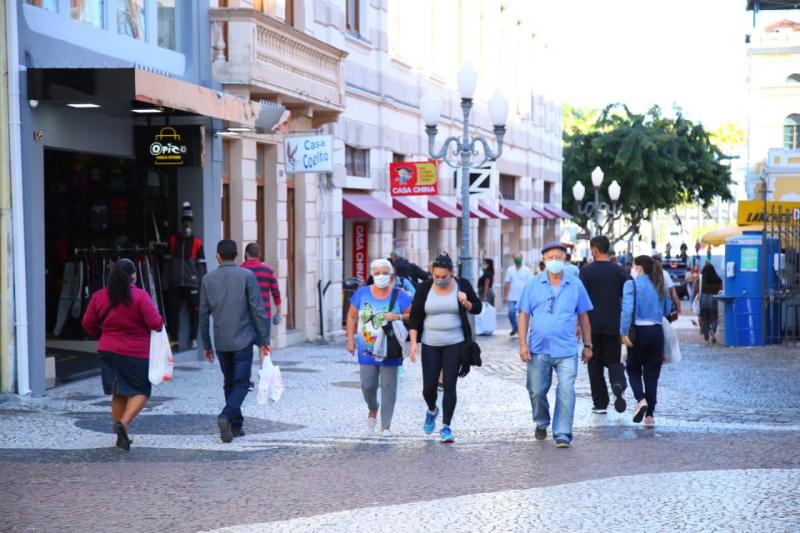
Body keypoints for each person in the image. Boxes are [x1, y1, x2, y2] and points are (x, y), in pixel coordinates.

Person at [81, 259, 164, 451]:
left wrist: (101, 335)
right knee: (141, 390)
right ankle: (124, 424)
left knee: (117, 391)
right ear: (133, 276)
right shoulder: (140, 296)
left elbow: (87, 323)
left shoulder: (99, 296)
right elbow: (155, 323)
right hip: (136, 352)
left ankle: (120, 435)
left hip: (108, 350)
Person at [518, 242, 594, 448]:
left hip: (567, 350)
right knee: (536, 390)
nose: (554, 261)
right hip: (538, 348)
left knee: (566, 389)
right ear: (544, 260)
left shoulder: (575, 284)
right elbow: (523, 315)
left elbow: (584, 316)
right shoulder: (533, 284)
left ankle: (562, 432)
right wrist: (522, 344)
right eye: (550, 258)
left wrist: (588, 345)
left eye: (558, 257)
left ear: (565, 259)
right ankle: (541, 421)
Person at [199, 240, 271, 443]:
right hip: (243, 339)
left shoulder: (208, 279)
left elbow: (203, 315)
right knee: (241, 383)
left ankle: (235, 425)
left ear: (217, 256)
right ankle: (226, 415)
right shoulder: (246, 276)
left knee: (229, 382)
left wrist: (206, 344)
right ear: (238, 255)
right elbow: (258, 309)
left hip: (221, 340)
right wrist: (264, 339)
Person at [408, 253, 482, 443]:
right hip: (430, 343)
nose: (440, 280)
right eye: (436, 276)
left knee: (450, 385)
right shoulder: (425, 288)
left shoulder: (462, 285)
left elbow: (478, 308)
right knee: (428, 388)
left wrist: (465, 301)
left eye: (444, 277)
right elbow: (415, 316)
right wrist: (413, 344)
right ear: (432, 273)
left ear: (451, 273)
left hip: (455, 342)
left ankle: (446, 427)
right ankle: (432, 410)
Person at [346, 259, 412, 436]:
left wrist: (397, 316)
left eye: (385, 272)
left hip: (390, 348)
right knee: (368, 385)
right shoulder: (362, 294)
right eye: (378, 273)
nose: (381, 276)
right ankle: (372, 407)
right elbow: (351, 317)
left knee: (389, 386)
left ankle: (386, 426)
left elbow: (412, 315)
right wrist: (350, 340)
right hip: (366, 348)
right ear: (372, 274)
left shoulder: (400, 295)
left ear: (391, 276)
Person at [579, 236, 628, 415]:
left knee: (594, 365)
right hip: (613, 323)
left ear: (594, 250)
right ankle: (618, 384)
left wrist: (578, 326)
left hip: (591, 325)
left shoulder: (585, 272)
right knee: (614, 360)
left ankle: (600, 404)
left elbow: (580, 300)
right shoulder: (620, 271)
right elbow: (627, 297)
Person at [620, 255, 670, 429]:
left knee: (633, 369)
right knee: (652, 373)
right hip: (657, 332)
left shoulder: (631, 285)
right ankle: (650, 416)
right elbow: (668, 309)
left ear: (638, 268)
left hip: (638, 332)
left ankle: (641, 400)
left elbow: (627, 310)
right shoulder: (659, 283)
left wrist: (623, 332)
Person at [163, 201, 207, 350]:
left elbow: (202, 265)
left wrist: (201, 283)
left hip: (192, 283)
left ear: (192, 224)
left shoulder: (197, 243)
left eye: (189, 222)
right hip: (175, 283)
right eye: (184, 222)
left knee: (194, 312)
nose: (186, 224)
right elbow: (167, 262)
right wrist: (165, 281)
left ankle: (193, 338)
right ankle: (174, 339)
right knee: (172, 311)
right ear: (181, 223)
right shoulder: (173, 240)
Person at [241, 243, 282, 328]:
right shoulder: (268, 270)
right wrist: (279, 312)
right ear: (259, 254)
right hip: (264, 314)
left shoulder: (240, 271)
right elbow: (276, 293)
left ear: (246, 254)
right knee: (264, 341)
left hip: (245, 316)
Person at [503, 252, 532, 336]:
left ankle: (521, 331)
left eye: (519, 258)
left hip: (523, 297)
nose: (517, 260)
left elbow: (530, 284)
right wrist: (505, 296)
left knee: (522, 316)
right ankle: (515, 327)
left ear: (522, 259)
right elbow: (507, 283)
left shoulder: (527, 270)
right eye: (516, 258)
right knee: (511, 313)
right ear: (513, 259)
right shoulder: (510, 270)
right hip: (512, 297)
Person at [695, 262, 723, 344]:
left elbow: (696, 290)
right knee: (715, 318)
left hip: (703, 299)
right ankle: (713, 332)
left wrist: (696, 298)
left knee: (705, 320)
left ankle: (706, 339)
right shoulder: (718, 279)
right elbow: (721, 290)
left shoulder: (700, 279)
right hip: (714, 299)